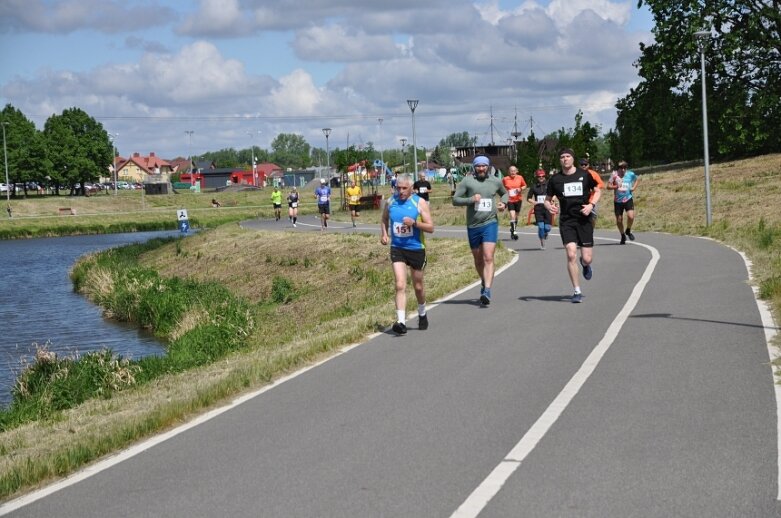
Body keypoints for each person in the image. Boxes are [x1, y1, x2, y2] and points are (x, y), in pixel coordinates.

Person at [544, 148, 601, 303]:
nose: (565, 159)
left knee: (587, 258)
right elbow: (547, 199)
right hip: (567, 220)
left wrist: (591, 205)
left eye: (568, 156)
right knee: (570, 254)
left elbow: (597, 191)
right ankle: (577, 291)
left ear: (573, 159)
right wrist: (549, 207)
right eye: (562, 157)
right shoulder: (555, 179)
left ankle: (585, 265)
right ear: (559, 160)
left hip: (584, 219)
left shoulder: (584, 175)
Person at [380, 173, 435, 335]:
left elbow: (431, 228)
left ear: (412, 188)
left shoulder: (419, 202)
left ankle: (422, 312)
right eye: (399, 188)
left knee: (418, 286)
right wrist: (384, 234)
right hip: (398, 248)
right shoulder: (391, 202)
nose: (401, 191)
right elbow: (384, 219)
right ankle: (401, 322)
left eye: (404, 188)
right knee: (400, 284)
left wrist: (415, 223)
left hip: (416, 248)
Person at [452, 155, 508, 306]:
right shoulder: (467, 181)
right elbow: (455, 199)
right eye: (478, 166)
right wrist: (471, 200)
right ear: (474, 167)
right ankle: (484, 280)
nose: (481, 168)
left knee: (488, 257)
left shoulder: (495, 181)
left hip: (490, 222)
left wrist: (504, 203)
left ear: (488, 167)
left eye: (484, 166)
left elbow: (505, 193)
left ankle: (487, 291)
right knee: (478, 259)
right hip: (473, 225)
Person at [608, 160, 639, 244]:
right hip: (618, 201)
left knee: (631, 216)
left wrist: (633, 188)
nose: (623, 169)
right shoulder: (614, 175)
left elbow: (637, 180)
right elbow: (608, 186)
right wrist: (615, 186)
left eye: (625, 167)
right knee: (619, 220)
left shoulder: (630, 174)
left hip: (628, 198)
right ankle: (622, 235)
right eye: (621, 167)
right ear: (618, 168)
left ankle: (628, 230)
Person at [527, 167, 552, 249]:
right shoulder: (534, 186)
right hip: (538, 209)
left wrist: (553, 200)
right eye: (539, 176)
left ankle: (546, 233)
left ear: (545, 176)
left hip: (548, 208)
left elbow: (554, 194)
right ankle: (542, 243)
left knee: (547, 228)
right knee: (541, 227)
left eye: (542, 176)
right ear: (537, 177)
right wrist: (534, 202)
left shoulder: (549, 185)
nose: (541, 178)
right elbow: (528, 198)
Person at [502, 165, 527, 240]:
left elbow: (525, 185)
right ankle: (514, 231)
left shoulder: (520, 177)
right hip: (510, 200)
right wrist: (504, 197)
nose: (513, 172)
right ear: (508, 172)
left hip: (518, 199)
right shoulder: (505, 179)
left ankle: (512, 228)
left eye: (514, 171)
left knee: (516, 216)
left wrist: (520, 189)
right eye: (511, 171)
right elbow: (501, 188)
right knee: (512, 216)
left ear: (516, 171)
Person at [579, 157, 605, 224]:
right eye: (582, 164)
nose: (583, 166)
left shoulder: (593, 173)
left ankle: (590, 232)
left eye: (585, 164)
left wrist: (594, 188)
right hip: (580, 200)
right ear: (579, 165)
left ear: (588, 165)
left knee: (592, 218)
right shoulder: (576, 174)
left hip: (591, 200)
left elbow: (601, 184)